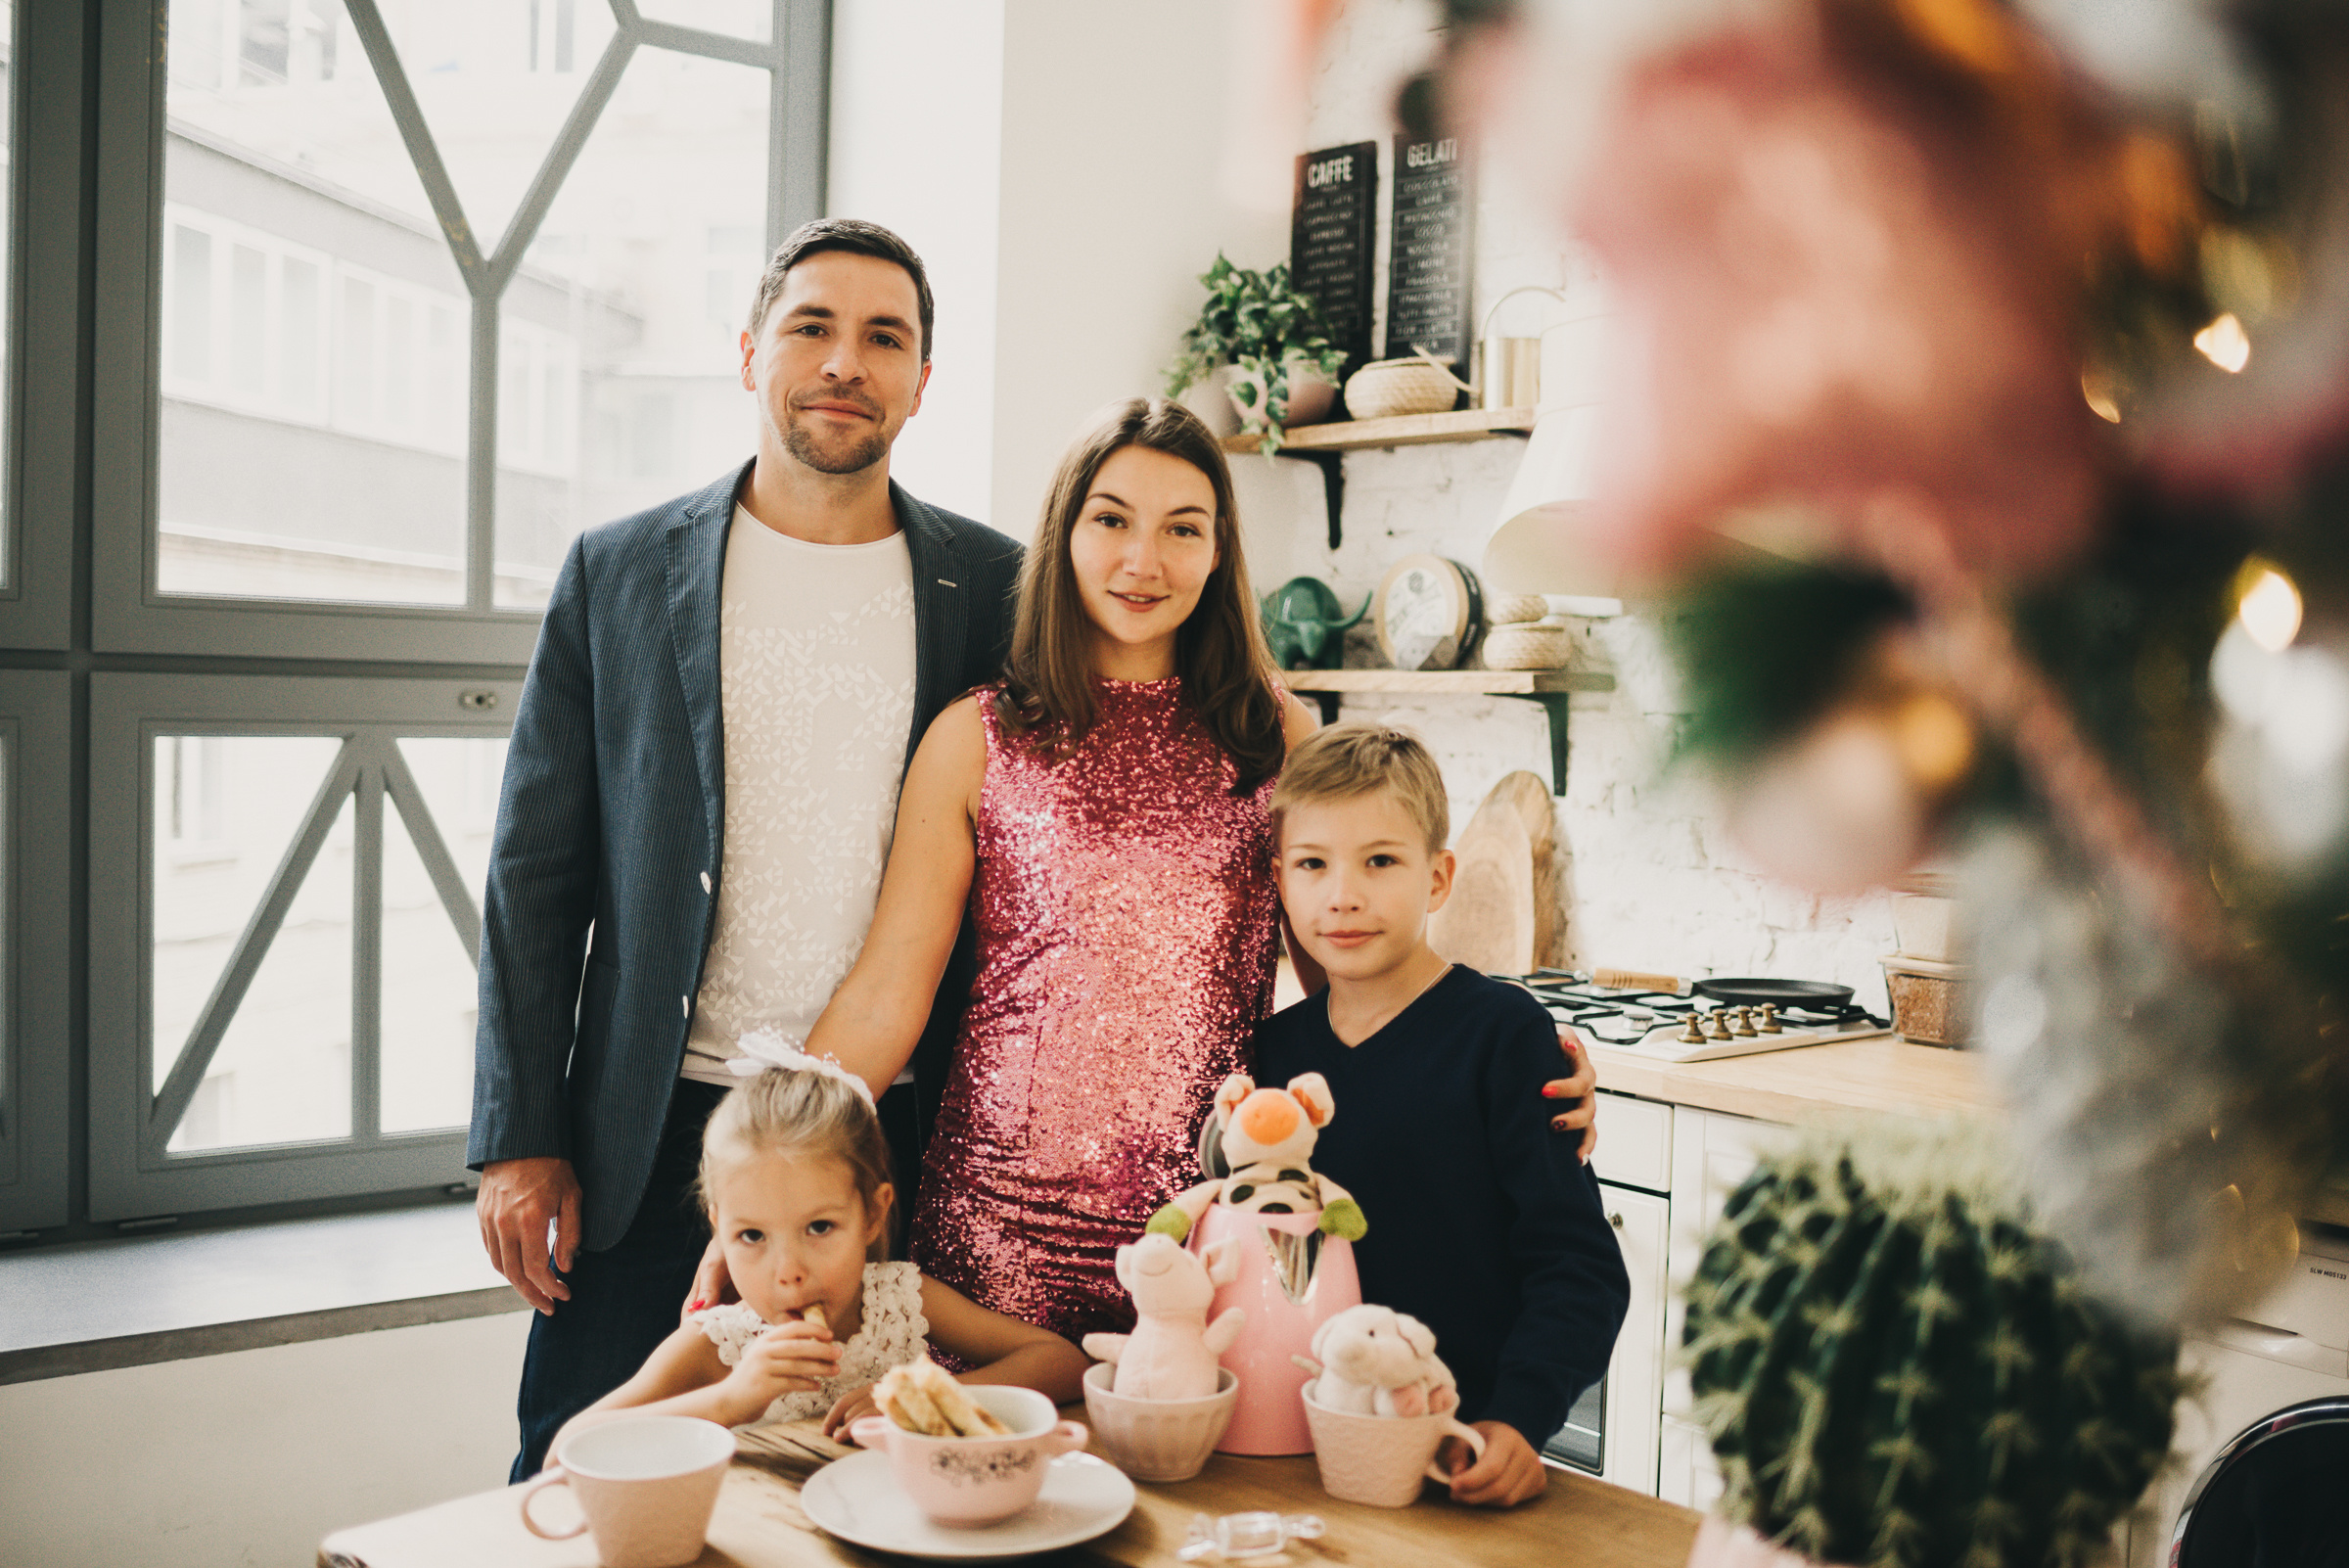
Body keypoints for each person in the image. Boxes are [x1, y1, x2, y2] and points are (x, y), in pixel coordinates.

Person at [737, 397, 1599, 1347]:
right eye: (1111, 520)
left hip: (1211, 1245)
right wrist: (770, 1167)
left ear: (1220, 548)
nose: (1144, 561)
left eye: (1182, 529)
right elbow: (881, 999)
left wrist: (1511, 1069)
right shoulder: (978, 736)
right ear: (1064, 534)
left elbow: (1358, 976)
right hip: (987, 1253)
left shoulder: (1274, 734)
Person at [468, 217, 1024, 1480]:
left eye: (886, 338)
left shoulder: (995, 589)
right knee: (578, 1478)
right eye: (811, 328)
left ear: (924, 380)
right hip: (651, 1123)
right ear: (748, 354)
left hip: (890, 1137)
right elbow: (533, 874)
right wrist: (518, 1131)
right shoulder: (615, 573)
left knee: (872, 1483)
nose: (846, 361)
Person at [1251, 723, 1631, 1507]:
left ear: (1438, 877)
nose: (1343, 895)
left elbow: (1579, 1265)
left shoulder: (1505, 1036)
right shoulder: (1271, 1055)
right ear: (1280, 880)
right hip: (1296, 1446)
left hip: (1459, 1448)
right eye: (1312, 865)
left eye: (1380, 861)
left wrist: (1521, 1422)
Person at [549, 1041, 1086, 1456]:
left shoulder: (898, 1299)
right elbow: (567, 1450)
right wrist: (730, 1400)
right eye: (752, 1237)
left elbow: (1062, 1361)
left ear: (873, 1213)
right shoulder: (717, 1343)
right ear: (718, 1228)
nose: (789, 1273)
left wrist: (926, 1395)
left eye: (820, 1228)